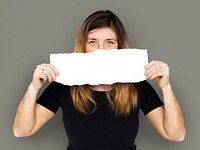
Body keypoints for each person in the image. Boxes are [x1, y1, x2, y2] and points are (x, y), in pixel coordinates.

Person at [13, 10, 186, 150]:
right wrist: (33, 88)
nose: (100, 50)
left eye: (109, 42)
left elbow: (175, 135)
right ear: (83, 45)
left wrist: (166, 87)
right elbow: (22, 131)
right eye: (93, 42)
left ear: (119, 46)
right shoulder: (65, 85)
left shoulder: (137, 86)